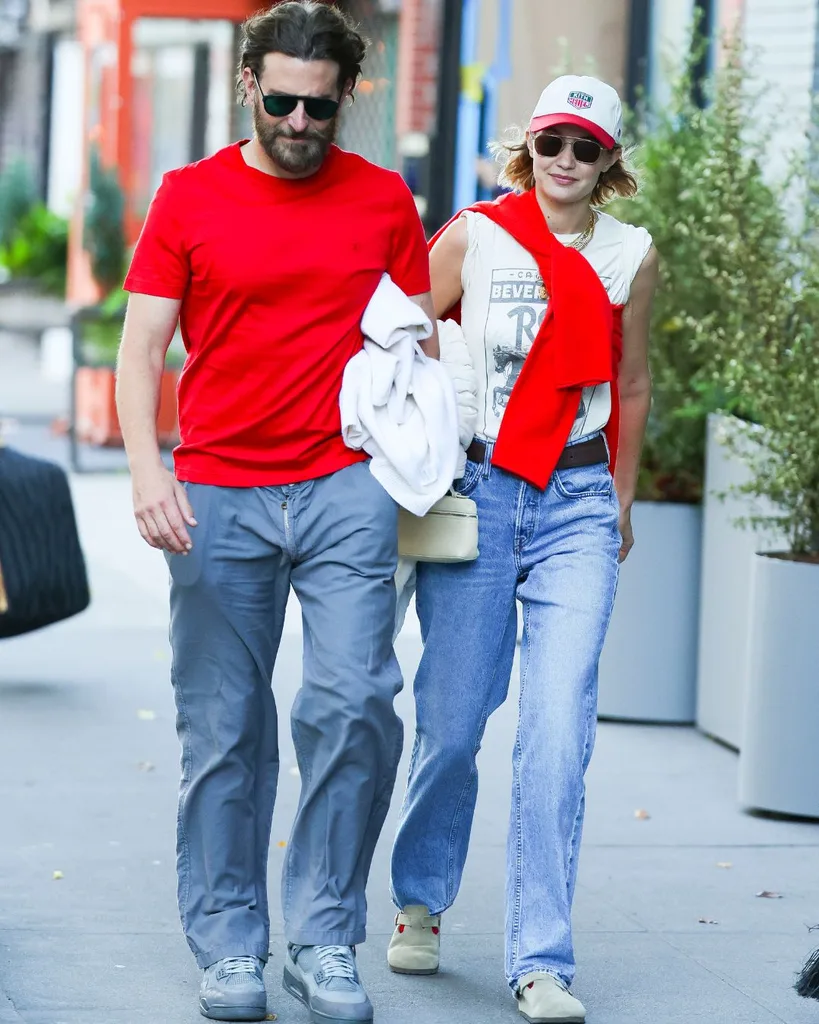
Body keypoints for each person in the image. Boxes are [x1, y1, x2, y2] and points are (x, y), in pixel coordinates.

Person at [115, 3, 436, 1021]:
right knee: (226, 729)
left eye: (320, 105)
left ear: (349, 94)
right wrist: (145, 472)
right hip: (215, 487)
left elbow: (413, 347)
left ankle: (327, 934)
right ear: (249, 83)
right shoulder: (189, 196)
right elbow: (139, 352)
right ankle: (230, 943)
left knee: (353, 706)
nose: (300, 122)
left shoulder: (385, 200)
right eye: (283, 100)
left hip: (346, 484)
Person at [387, 75, 658, 1023]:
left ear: (609, 161)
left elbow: (633, 377)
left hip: (578, 498)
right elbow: (397, 336)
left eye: (586, 148)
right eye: (552, 142)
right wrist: (431, 427)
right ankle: (419, 900)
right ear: (528, 146)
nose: (566, 163)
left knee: (556, 733)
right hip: (479, 487)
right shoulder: (475, 232)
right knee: (454, 723)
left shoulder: (632, 253)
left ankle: (540, 960)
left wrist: (620, 498)